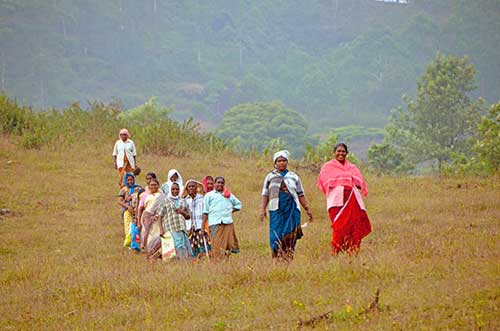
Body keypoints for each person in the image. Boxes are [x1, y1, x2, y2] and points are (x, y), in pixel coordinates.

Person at [317, 143, 372, 255]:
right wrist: (343, 181)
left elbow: (359, 182)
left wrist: (350, 181)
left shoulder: (352, 167)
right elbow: (324, 180)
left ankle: (353, 251)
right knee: (339, 226)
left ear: (347, 153)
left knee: (355, 225)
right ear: (334, 153)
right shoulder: (328, 167)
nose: (341, 153)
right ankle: (336, 251)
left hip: (352, 199)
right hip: (337, 201)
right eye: (338, 151)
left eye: (343, 151)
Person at [260, 150, 313, 260]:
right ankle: (276, 257)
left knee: (290, 234)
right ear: (275, 163)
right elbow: (265, 194)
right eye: (279, 161)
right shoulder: (270, 177)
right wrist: (262, 209)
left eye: (284, 160)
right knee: (275, 235)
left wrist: (307, 209)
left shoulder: (293, 176)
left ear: (287, 162)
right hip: (276, 210)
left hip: (292, 210)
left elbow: (300, 194)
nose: (282, 163)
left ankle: (288, 257)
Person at [202, 177, 242, 259]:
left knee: (228, 244)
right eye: (218, 182)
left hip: (227, 222)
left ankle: (225, 261)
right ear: (214, 184)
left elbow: (239, 205)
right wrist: (203, 227)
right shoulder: (209, 195)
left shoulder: (228, 195)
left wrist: (230, 211)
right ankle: (216, 262)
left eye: (222, 183)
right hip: (215, 223)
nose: (220, 184)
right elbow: (205, 212)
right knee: (216, 244)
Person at [156, 182, 193, 259]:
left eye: (177, 189)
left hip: (182, 228)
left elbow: (188, 216)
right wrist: (161, 229)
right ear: (170, 190)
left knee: (185, 246)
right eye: (173, 189)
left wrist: (182, 212)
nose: (175, 191)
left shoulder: (183, 201)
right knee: (177, 246)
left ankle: (185, 263)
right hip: (171, 228)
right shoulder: (165, 201)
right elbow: (160, 215)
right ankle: (181, 262)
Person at [183, 179, 211, 259]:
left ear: (196, 188)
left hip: (201, 226)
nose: (191, 188)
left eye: (193, 186)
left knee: (203, 245)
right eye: (189, 186)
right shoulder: (185, 200)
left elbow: (206, 212)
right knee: (192, 246)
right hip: (189, 228)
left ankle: (205, 260)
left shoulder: (202, 199)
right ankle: (194, 262)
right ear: (187, 188)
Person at [117, 173, 141, 247]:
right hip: (127, 210)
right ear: (126, 181)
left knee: (137, 225)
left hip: (137, 210)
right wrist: (128, 207)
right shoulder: (123, 190)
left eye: (132, 180)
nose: (130, 182)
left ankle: (137, 242)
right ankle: (129, 241)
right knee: (128, 225)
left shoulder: (138, 188)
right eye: (129, 180)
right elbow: (120, 201)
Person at [139, 179, 162, 253]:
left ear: (158, 186)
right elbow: (142, 208)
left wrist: (157, 215)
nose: (153, 186)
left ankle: (157, 252)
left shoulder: (161, 196)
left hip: (158, 218)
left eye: (155, 185)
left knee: (157, 235)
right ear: (149, 186)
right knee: (148, 234)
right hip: (147, 218)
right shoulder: (146, 196)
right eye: (151, 185)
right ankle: (149, 252)